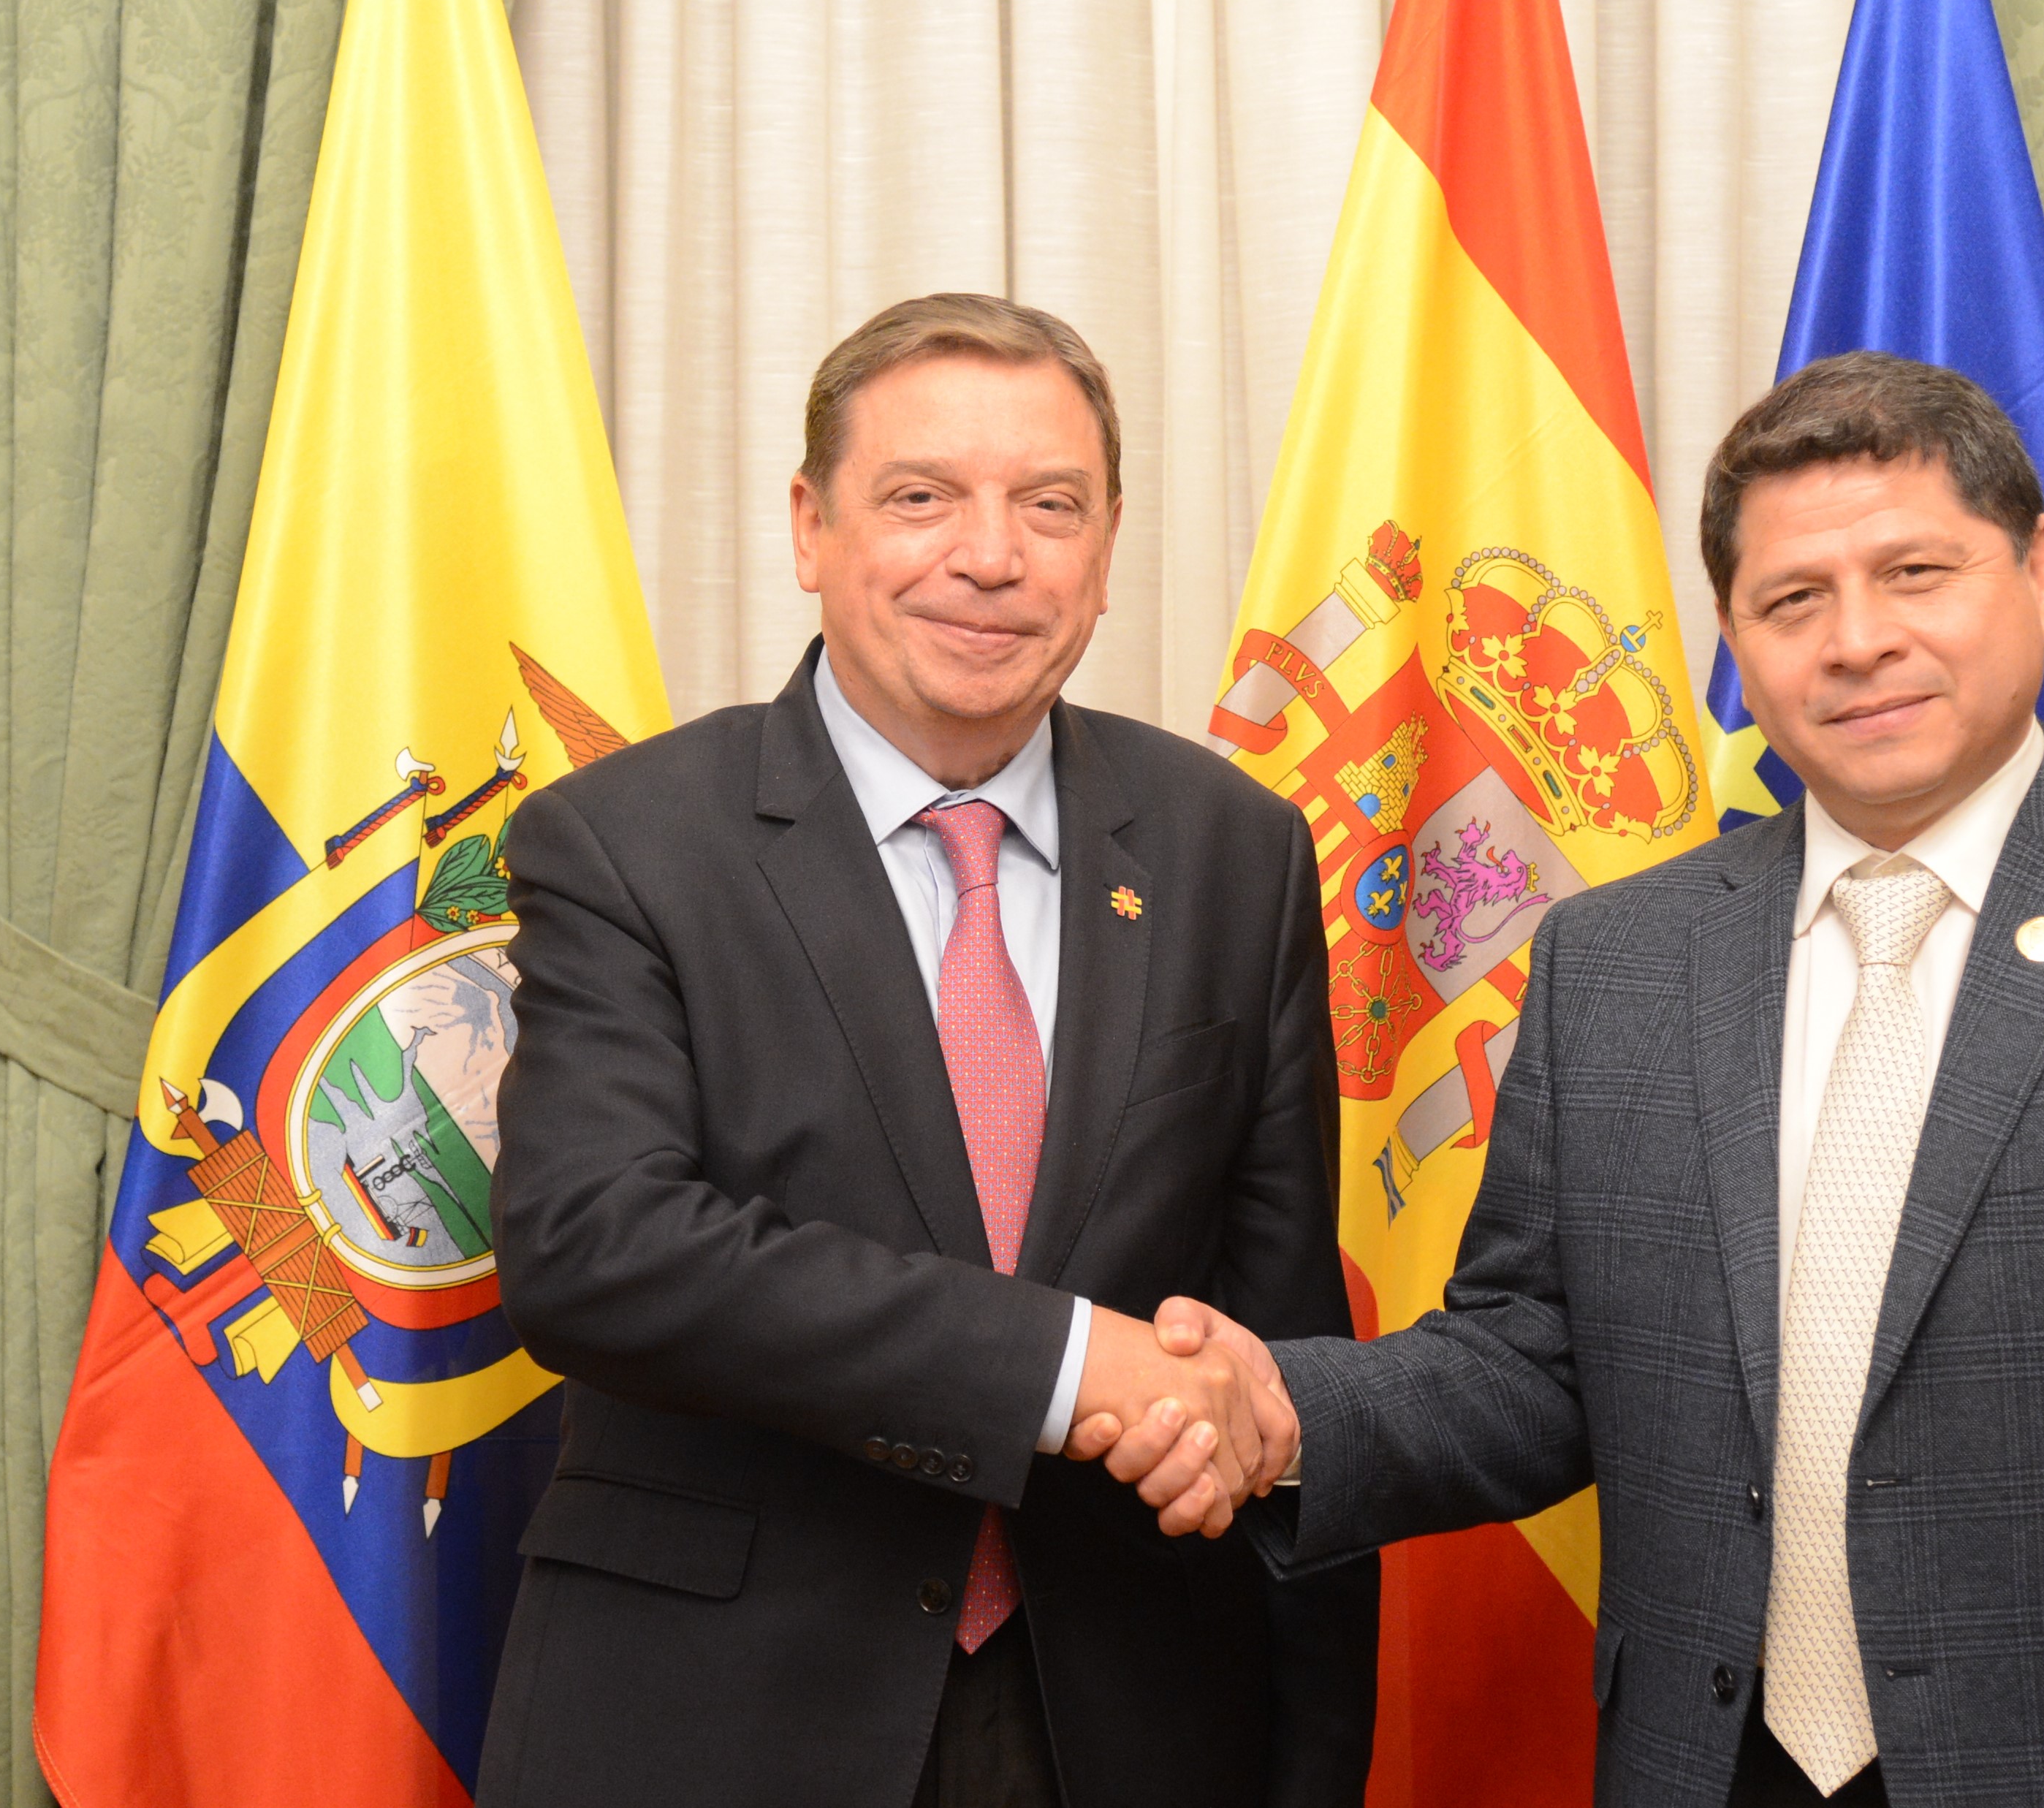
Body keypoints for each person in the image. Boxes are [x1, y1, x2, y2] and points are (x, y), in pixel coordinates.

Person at [1111, 352, 2044, 1806]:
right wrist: (1283, 1410)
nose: (1856, 641)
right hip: (1711, 1768)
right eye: (1792, 601)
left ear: (2039, 575)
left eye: (1913, 573)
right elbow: (1538, 1358)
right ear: (1735, 637)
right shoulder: (1616, 959)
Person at [475, 292, 1378, 1808]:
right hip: (718, 1717)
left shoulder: (1234, 849)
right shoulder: (625, 840)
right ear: (809, 527)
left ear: (1105, 550)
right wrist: (1061, 1365)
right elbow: (594, 1249)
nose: (990, 555)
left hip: (1135, 1717)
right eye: (920, 498)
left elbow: (1282, 1356)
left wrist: (1312, 1766)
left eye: (1051, 505)